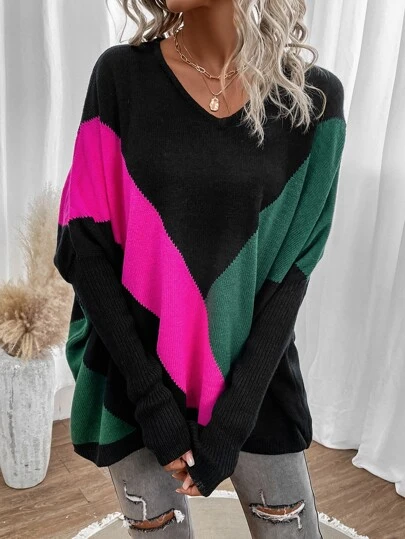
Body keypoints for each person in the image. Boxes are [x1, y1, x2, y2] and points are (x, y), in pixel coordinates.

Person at [53, 0, 346, 537]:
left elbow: (293, 275)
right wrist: (153, 404)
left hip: (252, 380)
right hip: (133, 372)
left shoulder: (314, 102)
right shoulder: (121, 77)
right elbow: (83, 244)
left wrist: (233, 423)